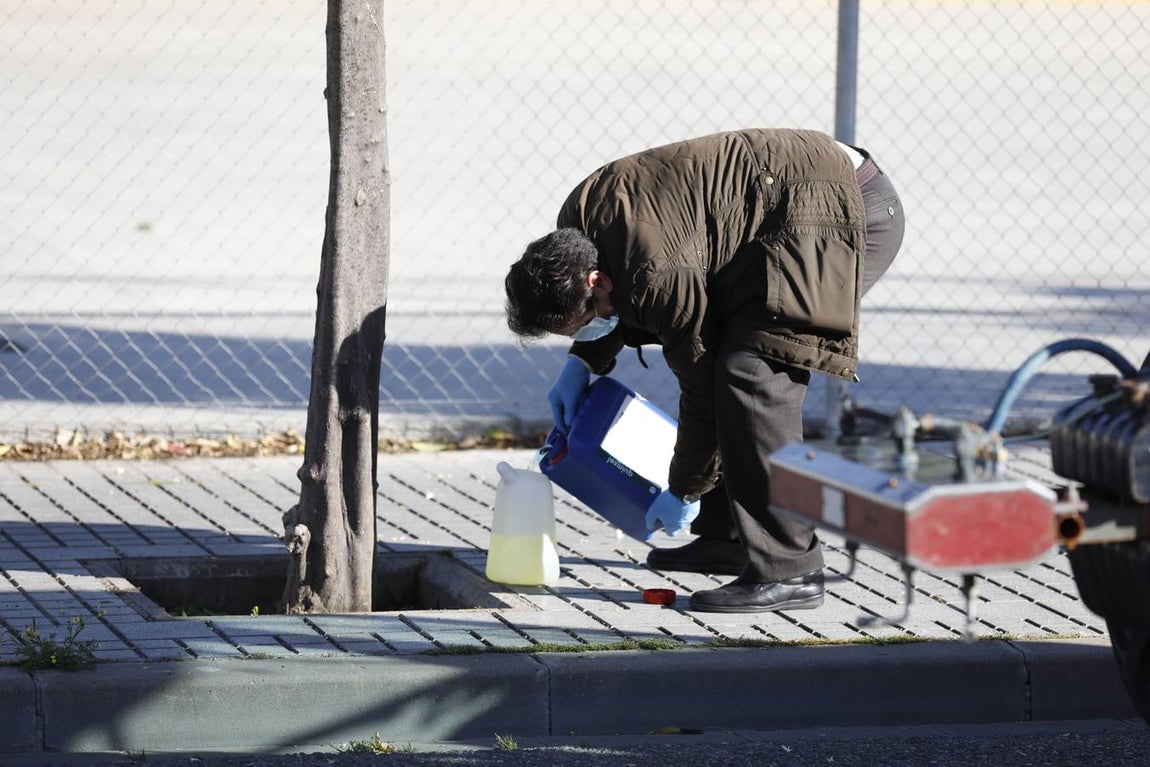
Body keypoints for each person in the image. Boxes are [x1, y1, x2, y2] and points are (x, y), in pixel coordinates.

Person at [504, 128, 905, 613]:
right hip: (774, 212)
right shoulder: (579, 228)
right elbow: (621, 299)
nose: (592, 329)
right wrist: (582, 361)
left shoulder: (657, 273)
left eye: (585, 323)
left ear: (594, 280)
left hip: (845, 211)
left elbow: (700, 389)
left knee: (751, 377)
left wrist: (682, 489)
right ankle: (731, 535)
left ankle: (790, 569)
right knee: (732, 370)